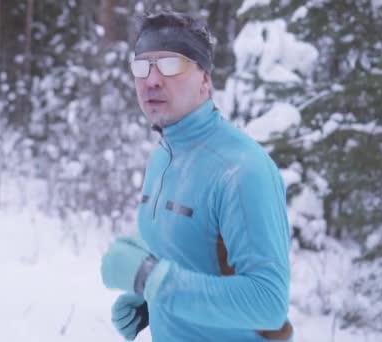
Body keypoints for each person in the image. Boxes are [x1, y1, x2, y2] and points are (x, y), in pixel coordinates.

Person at [100, 11, 294, 342]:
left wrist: (153, 280)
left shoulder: (241, 168)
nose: (152, 80)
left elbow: (269, 303)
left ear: (205, 80)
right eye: (142, 66)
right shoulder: (162, 157)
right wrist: (148, 300)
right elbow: (189, 257)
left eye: (171, 65)